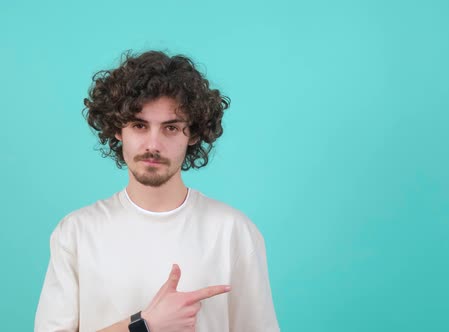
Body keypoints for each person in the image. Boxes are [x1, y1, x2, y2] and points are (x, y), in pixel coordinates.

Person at [34, 51, 280, 332]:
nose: (153, 144)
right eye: (139, 125)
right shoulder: (75, 233)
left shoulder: (234, 232)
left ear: (194, 134)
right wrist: (145, 325)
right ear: (118, 129)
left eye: (171, 128)